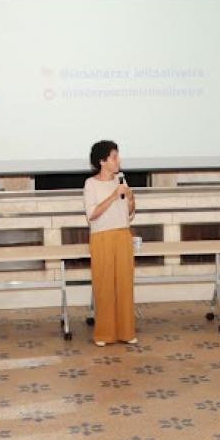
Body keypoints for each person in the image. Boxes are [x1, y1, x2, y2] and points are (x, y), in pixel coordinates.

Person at [83, 140, 138, 346]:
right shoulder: (91, 184)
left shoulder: (121, 180)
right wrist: (114, 195)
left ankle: (126, 332)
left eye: (118, 156)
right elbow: (92, 215)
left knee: (125, 284)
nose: (118, 160)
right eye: (114, 157)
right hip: (102, 237)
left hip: (123, 235)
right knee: (104, 285)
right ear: (102, 161)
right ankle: (104, 333)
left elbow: (129, 214)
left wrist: (131, 200)